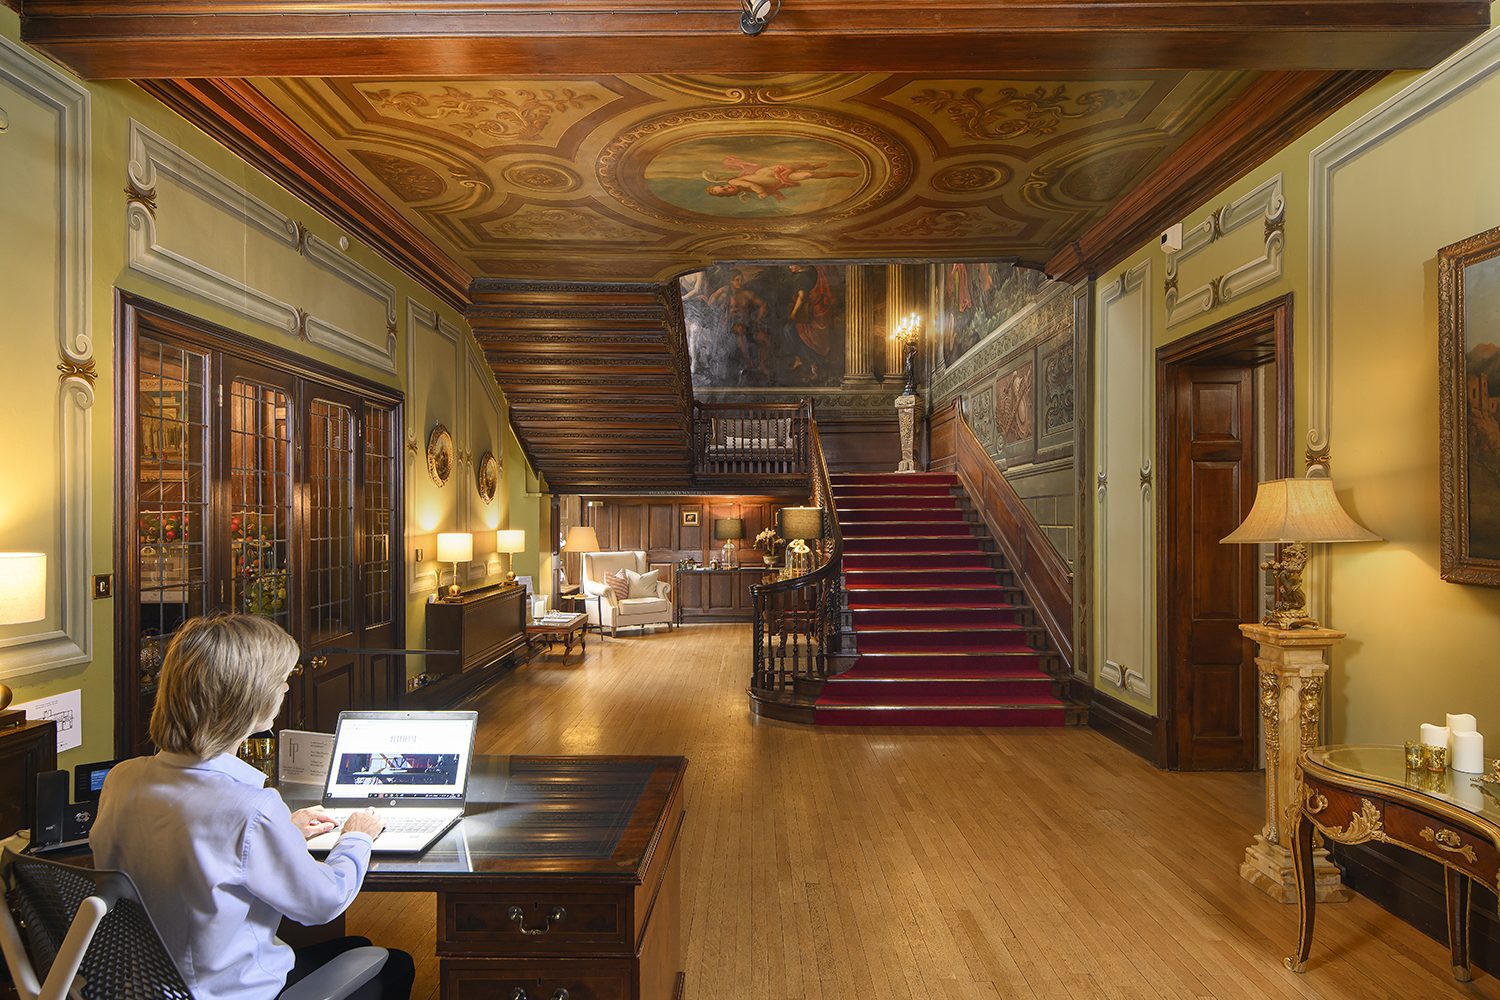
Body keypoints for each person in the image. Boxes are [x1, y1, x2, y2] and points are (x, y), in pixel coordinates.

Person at [90, 614, 415, 1000]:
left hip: (146, 986)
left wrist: (285, 832)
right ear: (247, 697)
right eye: (281, 680)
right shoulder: (251, 807)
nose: (285, 688)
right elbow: (322, 903)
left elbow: (194, 853)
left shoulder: (122, 779)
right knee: (396, 963)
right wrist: (356, 837)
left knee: (355, 943)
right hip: (225, 991)